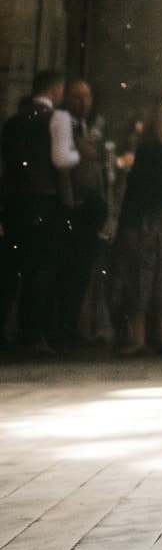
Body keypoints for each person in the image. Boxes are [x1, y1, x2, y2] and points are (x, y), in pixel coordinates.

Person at [0, 68, 75, 351]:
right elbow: (61, 160)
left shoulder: (12, 123)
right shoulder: (57, 118)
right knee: (40, 269)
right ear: (55, 90)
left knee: (9, 268)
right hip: (45, 199)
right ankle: (32, 334)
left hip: (15, 200)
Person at [111, 99, 162, 355]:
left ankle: (139, 339)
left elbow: (137, 190)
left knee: (140, 278)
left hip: (145, 220)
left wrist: (123, 223)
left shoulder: (146, 150)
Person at [58, 80, 109, 348]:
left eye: (87, 97)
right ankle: (62, 327)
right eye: (77, 97)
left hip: (90, 205)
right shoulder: (64, 124)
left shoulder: (89, 128)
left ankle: (72, 325)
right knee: (67, 269)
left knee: (83, 271)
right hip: (73, 205)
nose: (83, 103)